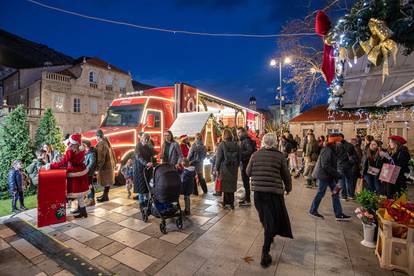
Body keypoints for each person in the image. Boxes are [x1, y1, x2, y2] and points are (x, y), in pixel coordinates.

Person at [246, 133, 293, 268]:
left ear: (263, 142)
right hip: (273, 195)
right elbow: (286, 175)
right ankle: (265, 253)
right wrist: (288, 188)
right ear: (275, 143)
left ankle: (269, 237)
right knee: (269, 222)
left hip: (259, 195)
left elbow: (248, 172)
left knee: (266, 220)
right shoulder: (279, 156)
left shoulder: (255, 155)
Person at [309, 134, 351, 221]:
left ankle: (338, 214)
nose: (340, 143)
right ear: (334, 142)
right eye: (339, 142)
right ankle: (312, 210)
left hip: (329, 176)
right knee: (321, 193)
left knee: (335, 193)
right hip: (324, 175)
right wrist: (336, 174)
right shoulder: (327, 150)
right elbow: (325, 165)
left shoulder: (333, 149)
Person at [49, 134, 90, 218]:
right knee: (80, 192)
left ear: (72, 142)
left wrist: (51, 165)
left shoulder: (70, 151)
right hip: (81, 171)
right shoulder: (82, 148)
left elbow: (63, 162)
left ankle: (82, 211)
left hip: (74, 173)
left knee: (77, 192)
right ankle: (83, 210)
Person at [215, 128, 240, 209]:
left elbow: (218, 159)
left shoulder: (222, 145)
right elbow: (239, 158)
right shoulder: (236, 145)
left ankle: (225, 203)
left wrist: (216, 169)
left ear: (224, 136)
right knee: (231, 185)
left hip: (224, 168)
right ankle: (231, 203)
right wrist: (236, 165)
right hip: (233, 168)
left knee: (225, 185)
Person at [133, 133, 155, 209]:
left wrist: (150, 145)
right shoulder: (138, 146)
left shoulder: (148, 146)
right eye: (145, 138)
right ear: (141, 138)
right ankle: (141, 203)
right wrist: (146, 163)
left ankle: (146, 201)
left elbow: (152, 154)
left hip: (147, 169)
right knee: (141, 188)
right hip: (139, 170)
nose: (146, 140)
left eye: (148, 139)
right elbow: (138, 157)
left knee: (147, 186)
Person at [95, 129, 116, 202]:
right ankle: (105, 195)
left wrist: (97, 167)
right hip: (109, 165)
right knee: (107, 182)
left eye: (96, 136)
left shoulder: (102, 144)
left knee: (106, 181)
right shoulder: (107, 142)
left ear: (98, 137)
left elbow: (101, 157)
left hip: (105, 166)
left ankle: (105, 196)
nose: (96, 138)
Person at [237, 127, 256, 206]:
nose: (238, 134)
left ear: (243, 132)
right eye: (237, 133)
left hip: (246, 163)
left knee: (246, 182)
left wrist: (240, 154)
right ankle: (246, 198)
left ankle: (248, 200)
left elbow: (250, 151)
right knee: (245, 183)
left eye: (239, 133)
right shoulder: (243, 140)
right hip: (244, 163)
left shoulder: (246, 141)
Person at [336, 134, 358, 200]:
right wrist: (351, 162)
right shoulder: (350, 145)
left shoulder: (337, 146)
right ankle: (351, 195)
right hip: (349, 165)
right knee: (349, 180)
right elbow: (355, 156)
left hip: (340, 165)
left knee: (341, 181)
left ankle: (343, 196)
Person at [83, 140, 97, 206]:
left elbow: (92, 162)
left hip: (89, 172)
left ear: (86, 145)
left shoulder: (91, 153)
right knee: (87, 185)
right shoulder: (87, 152)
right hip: (86, 172)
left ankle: (91, 199)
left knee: (89, 185)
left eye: (83, 145)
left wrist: (87, 169)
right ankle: (88, 198)